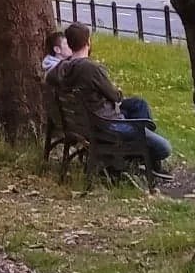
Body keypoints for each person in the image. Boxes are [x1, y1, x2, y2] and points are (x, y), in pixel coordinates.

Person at [47, 22, 172, 175]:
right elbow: (115, 97)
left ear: (71, 45)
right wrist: (114, 90)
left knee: (139, 105)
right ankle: (135, 157)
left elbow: (50, 78)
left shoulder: (62, 68)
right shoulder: (90, 69)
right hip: (107, 126)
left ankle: (141, 153)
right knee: (164, 148)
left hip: (86, 121)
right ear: (88, 42)